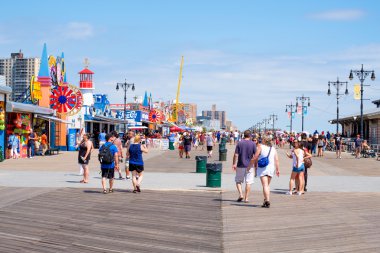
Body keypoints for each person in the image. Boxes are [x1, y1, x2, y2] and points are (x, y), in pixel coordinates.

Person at [251, 136, 280, 208]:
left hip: (262, 168)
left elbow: (255, 157)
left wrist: (250, 165)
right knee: (267, 185)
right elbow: (276, 160)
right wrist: (277, 169)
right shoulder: (273, 149)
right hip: (271, 168)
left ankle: (267, 200)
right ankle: (265, 200)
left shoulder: (260, 147)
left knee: (265, 185)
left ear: (264, 140)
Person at [232, 130, 256, 203]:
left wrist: (234, 164)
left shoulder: (239, 143)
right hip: (250, 166)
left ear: (244, 135)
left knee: (238, 181)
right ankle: (246, 198)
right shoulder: (253, 144)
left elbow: (236, 155)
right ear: (250, 136)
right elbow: (255, 156)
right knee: (248, 182)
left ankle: (241, 194)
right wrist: (255, 165)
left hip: (240, 164)